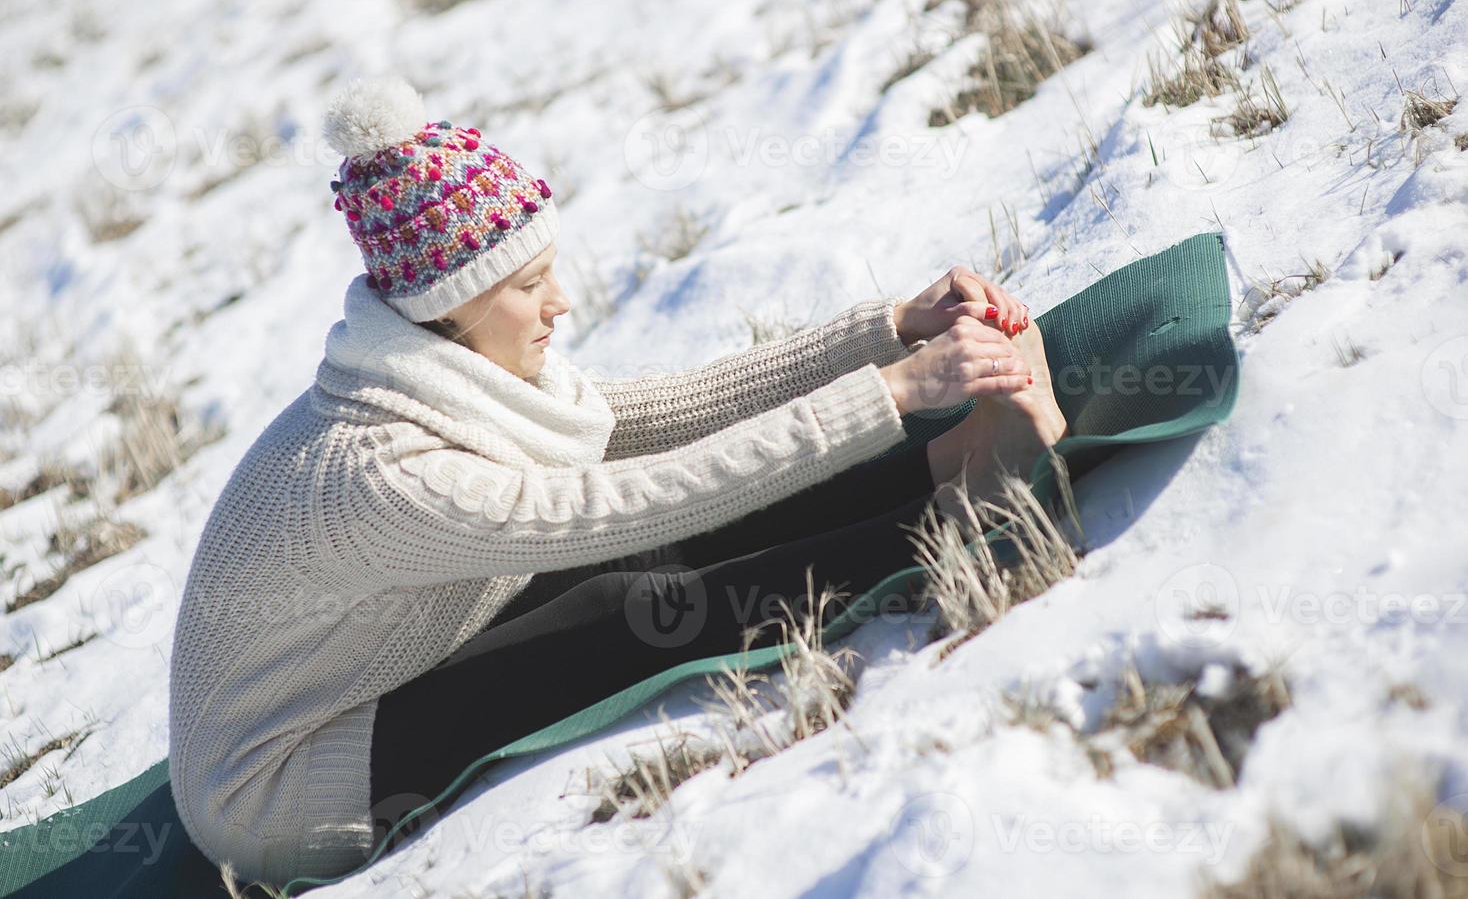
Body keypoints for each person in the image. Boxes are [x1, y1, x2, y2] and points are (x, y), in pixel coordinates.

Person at [166, 76, 1068, 889]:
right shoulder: (375, 475)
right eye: (529, 284)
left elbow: (657, 416)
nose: (561, 301)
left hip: (356, 668)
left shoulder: (435, 371)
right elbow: (626, 503)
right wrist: (893, 393)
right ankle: (953, 517)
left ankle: (944, 467)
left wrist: (892, 328)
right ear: (453, 305)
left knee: (644, 540)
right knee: (626, 605)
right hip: (284, 788)